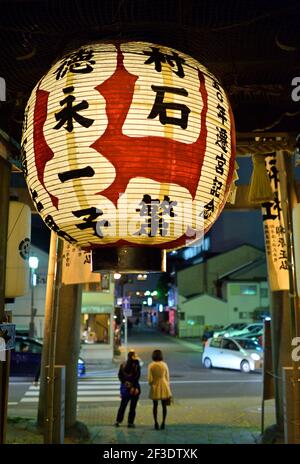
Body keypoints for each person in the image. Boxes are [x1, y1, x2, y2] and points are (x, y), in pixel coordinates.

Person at [115, 349, 141, 428]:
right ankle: (130, 423)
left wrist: (125, 383)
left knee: (123, 405)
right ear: (133, 357)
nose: (137, 357)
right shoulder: (136, 365)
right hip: (134, 388)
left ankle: (118, 421)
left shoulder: (123, 364)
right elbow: (137, 377)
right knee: (133, 407)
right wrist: (133, 385)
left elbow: (120, 375)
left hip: (125, 388)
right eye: (135, 356)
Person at [148, 349, 172, 430]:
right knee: (164, 406)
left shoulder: (151, 365)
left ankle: (156, 423)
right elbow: (167, 377)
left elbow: (149, 380)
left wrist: (152, 384)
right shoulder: (164, 365)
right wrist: (167, 386)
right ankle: (163, 423)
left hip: (155, 386)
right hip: (164, 385)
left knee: (155, 406)